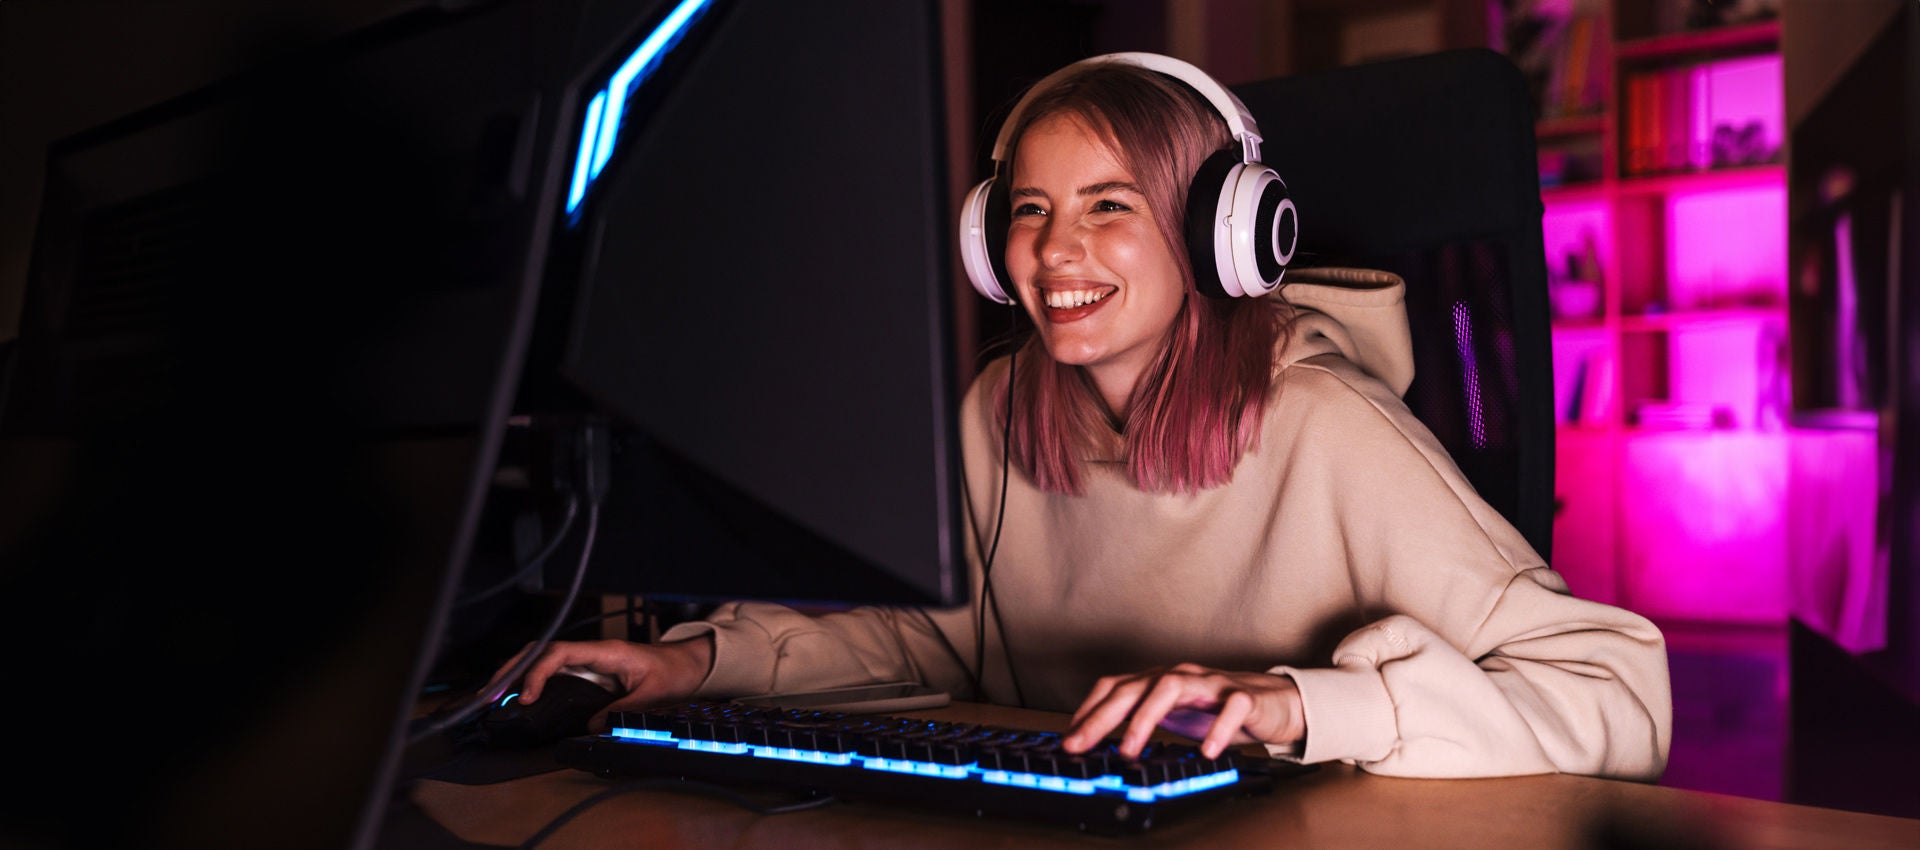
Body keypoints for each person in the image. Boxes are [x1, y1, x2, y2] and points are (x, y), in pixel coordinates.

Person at [498, 53, 1672, 780]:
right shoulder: (1001, 411)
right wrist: (690, 663)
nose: (1056, 249)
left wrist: (1300, 705)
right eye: (1028, 211)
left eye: (1110, 205)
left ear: (1225, 231)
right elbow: (934, 645)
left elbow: (1617, 693)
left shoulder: (1331, 429)